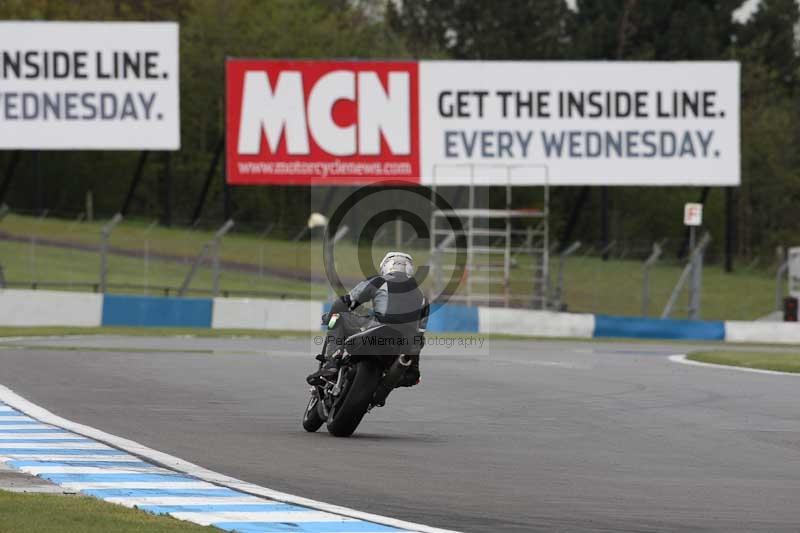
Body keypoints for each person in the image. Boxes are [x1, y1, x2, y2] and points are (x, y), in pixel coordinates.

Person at [306, 251, 427, 387]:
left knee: (337, 317)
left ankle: (331, 361)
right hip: (404, 344)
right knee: (413, 362)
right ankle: (405, 375)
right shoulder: (421, 294)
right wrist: (414, 368)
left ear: (386, 266)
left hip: (377, 328)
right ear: (410, 269)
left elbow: (344, 302)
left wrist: (329, 319)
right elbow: (419, 333)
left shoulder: (378, 281)